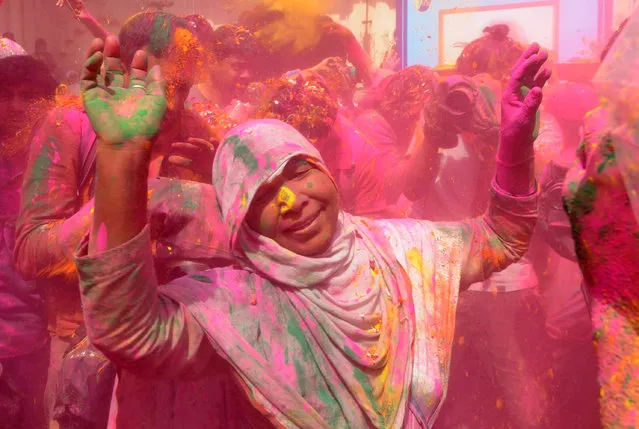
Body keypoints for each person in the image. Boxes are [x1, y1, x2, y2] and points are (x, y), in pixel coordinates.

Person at [73, 35, 548, 427]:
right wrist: (123, 157)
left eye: (298, 172)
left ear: (324, 170)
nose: (291, 200)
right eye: (261, 195)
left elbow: (501, 237)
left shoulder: (401, 251)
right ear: (240, 220)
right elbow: (129, 331)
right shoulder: (242, 304)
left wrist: (513, 144)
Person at [14, 12, 218, 428]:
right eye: (167, 86)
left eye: (185, 87)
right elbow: (30, 249)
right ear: (129, 70)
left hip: (172, 347)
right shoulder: (70, 124)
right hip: (83, 350)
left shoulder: (197, 131)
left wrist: (218, 182)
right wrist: (122, 197)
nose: (175, 104)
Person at [0, 53, 58, 429]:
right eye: (6, 95)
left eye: (30, 95)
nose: (17, 106)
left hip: (39, 332)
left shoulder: (60, 163)